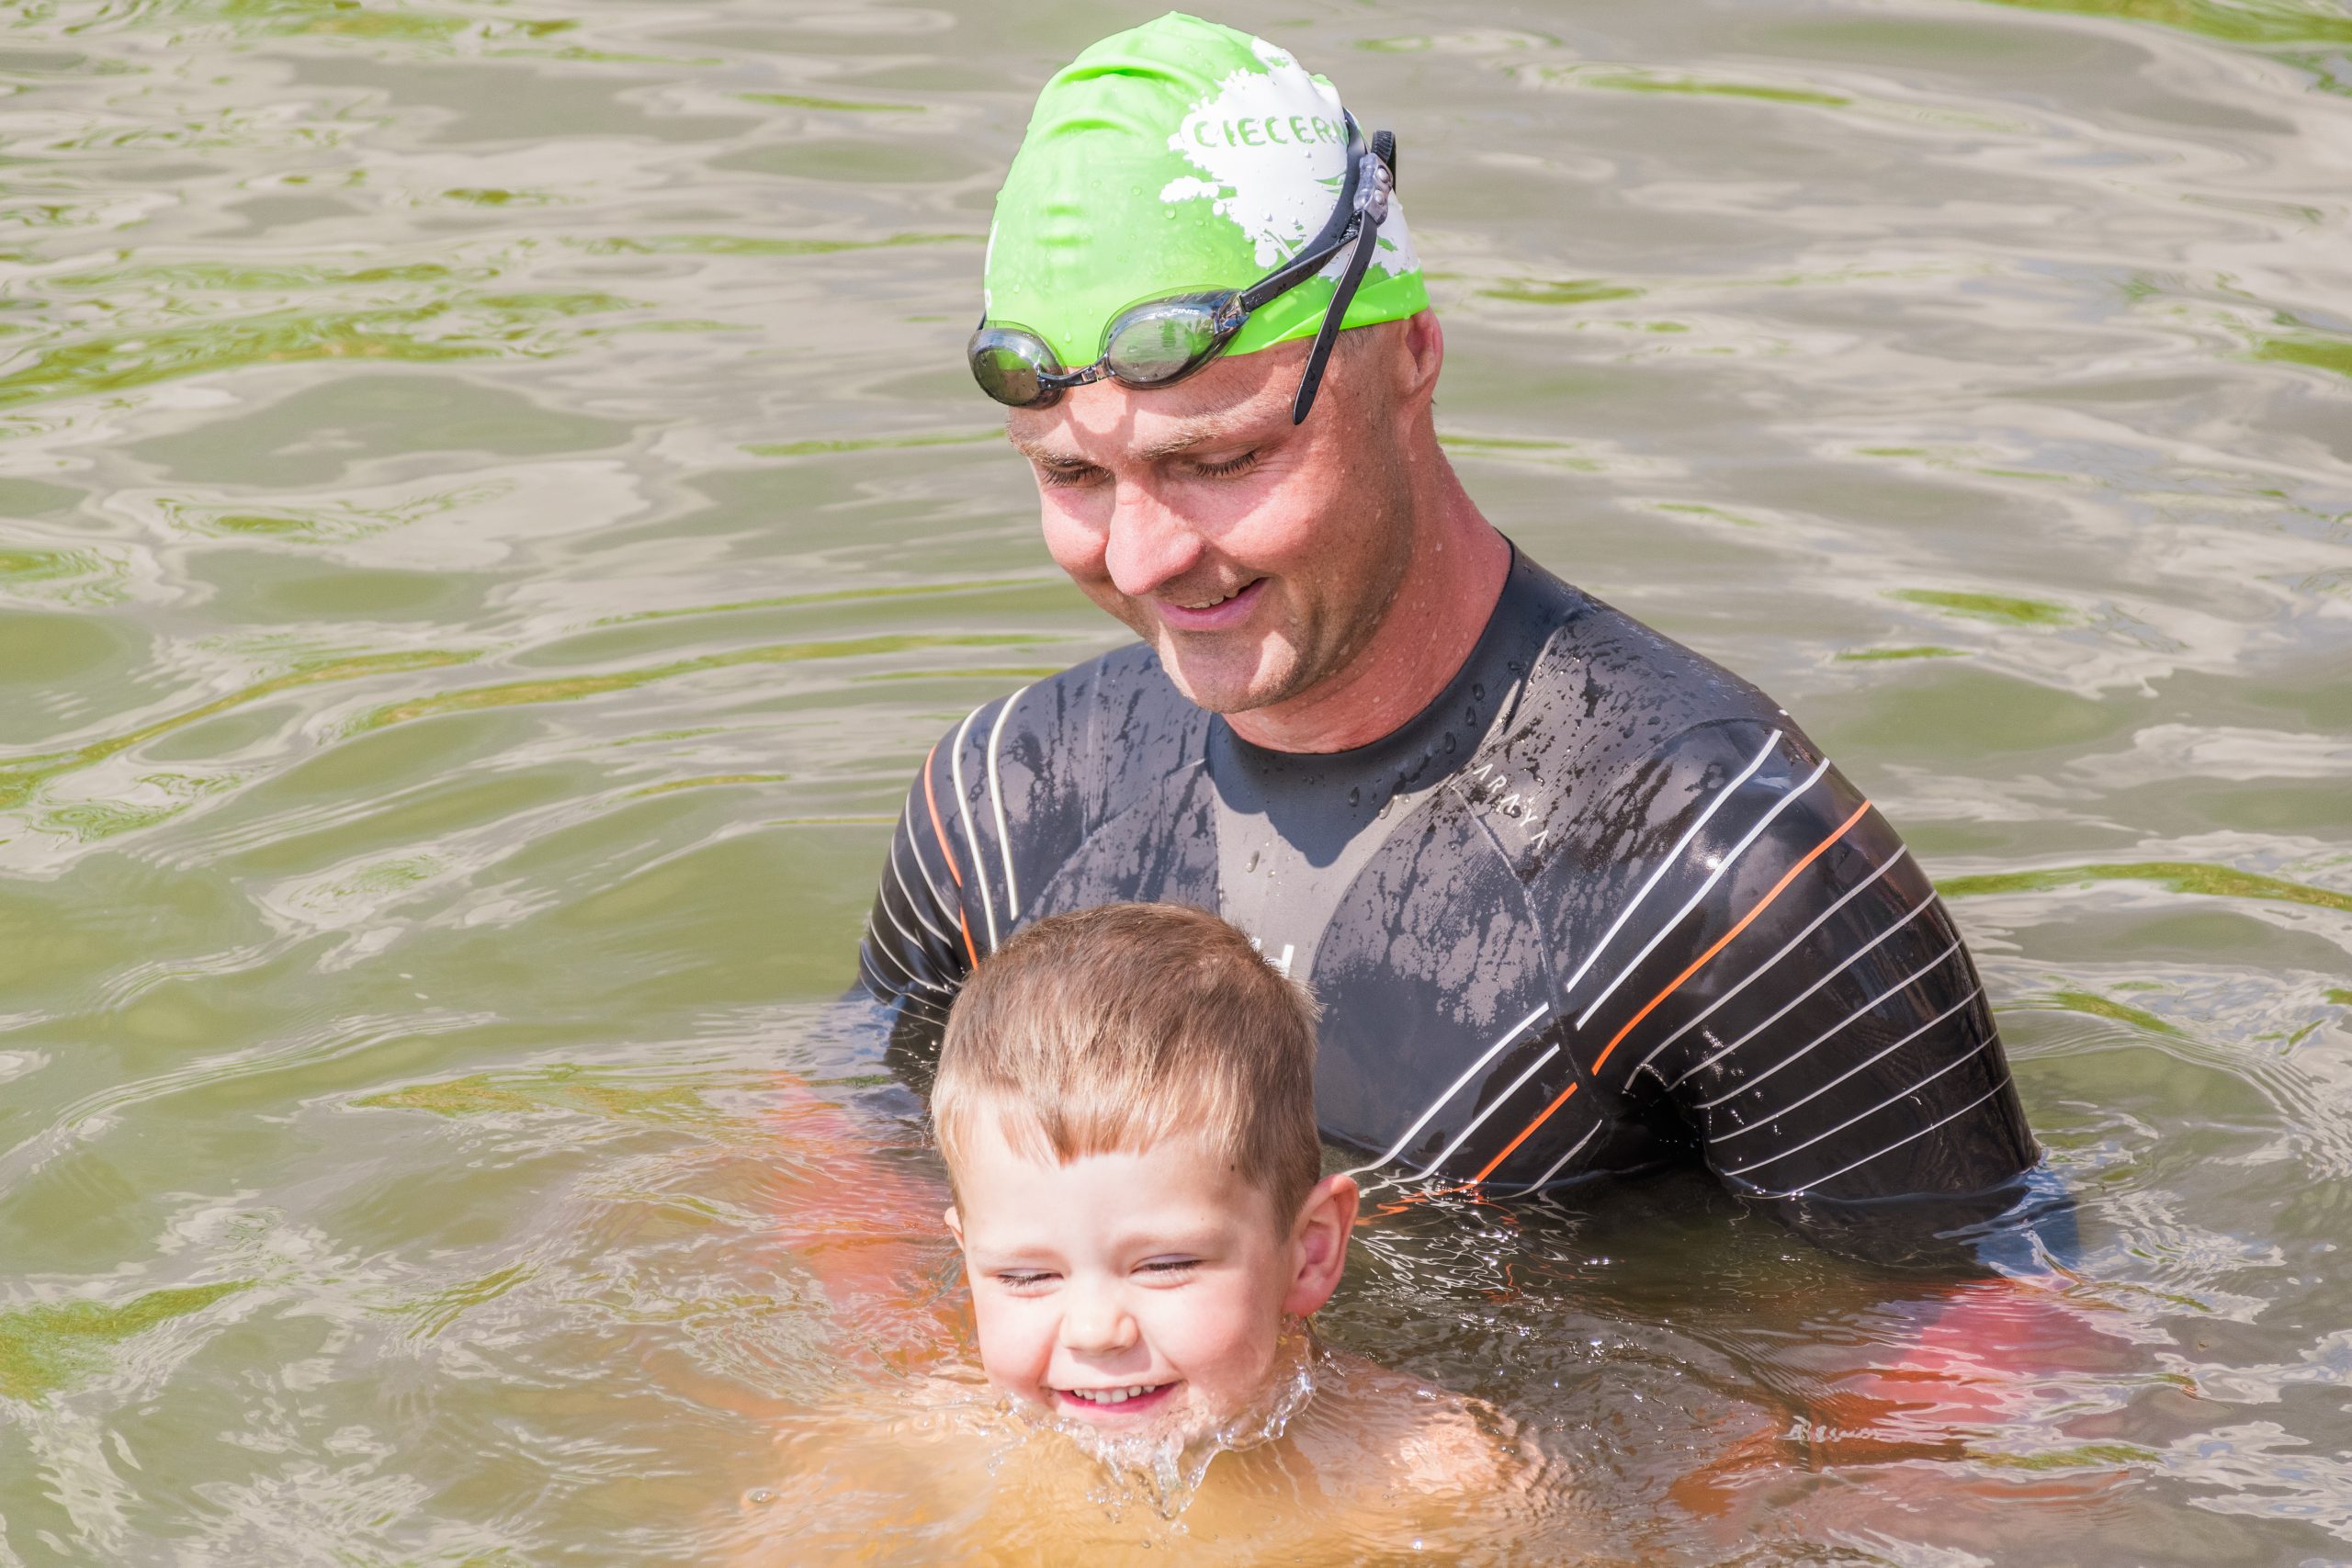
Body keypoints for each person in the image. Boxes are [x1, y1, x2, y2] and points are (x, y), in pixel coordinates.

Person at [857, 11, 2041, 1260]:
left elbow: (1994, 1344)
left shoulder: (1721, 870)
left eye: (1220, 460)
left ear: (1411, 356)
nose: (1143, 557)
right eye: (1072, 477)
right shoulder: (1000, 810)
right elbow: (840, 1170)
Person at [737, 904, 1557, 1562]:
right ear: (967, 1257)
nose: (1095, 1330)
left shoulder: (1436, 1477)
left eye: (1165, 1264)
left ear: (1310, 1251)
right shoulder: (905, 1450)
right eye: (1026, 1275)